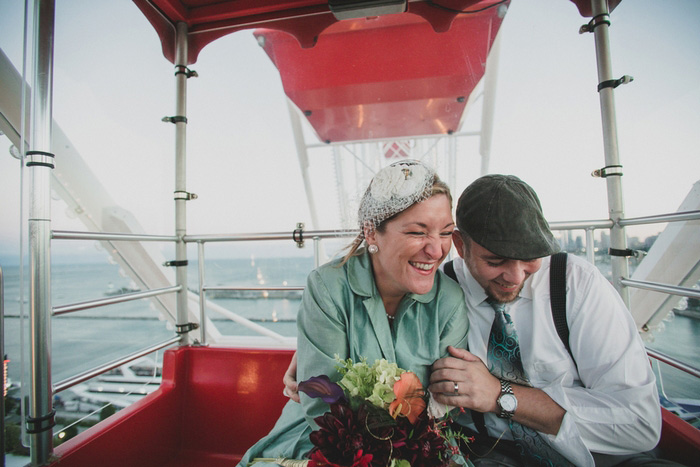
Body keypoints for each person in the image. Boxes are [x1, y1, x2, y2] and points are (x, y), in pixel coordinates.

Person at [237, 160, 469, 466]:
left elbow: (445, 402)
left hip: (422, 444)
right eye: (418, 232)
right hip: (327, 439)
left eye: (445, 233)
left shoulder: (449, 300)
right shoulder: (327, 287)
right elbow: (322, 406)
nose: (437, 250)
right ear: (371, 232)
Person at [428, 174, 666, 466]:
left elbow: (639, 423)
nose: (515, 277)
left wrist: (500, 395)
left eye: (531, 257)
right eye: (495, 261)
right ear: (461, 246)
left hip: (600, 456)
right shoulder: (438, 293)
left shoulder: (576, 284)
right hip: (493, 454)